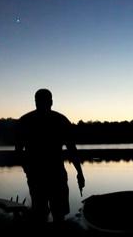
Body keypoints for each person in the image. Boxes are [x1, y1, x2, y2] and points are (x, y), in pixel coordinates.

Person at [15, 88, 85, 226]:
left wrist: (26, 168)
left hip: (37, 174)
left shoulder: (25, 121)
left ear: (35, 102)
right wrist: (79, 172)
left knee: (40, 212)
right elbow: (72, 149)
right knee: (57, 214)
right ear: (51, 102)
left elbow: (18, 151)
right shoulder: (60, 120)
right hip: (54, 174)